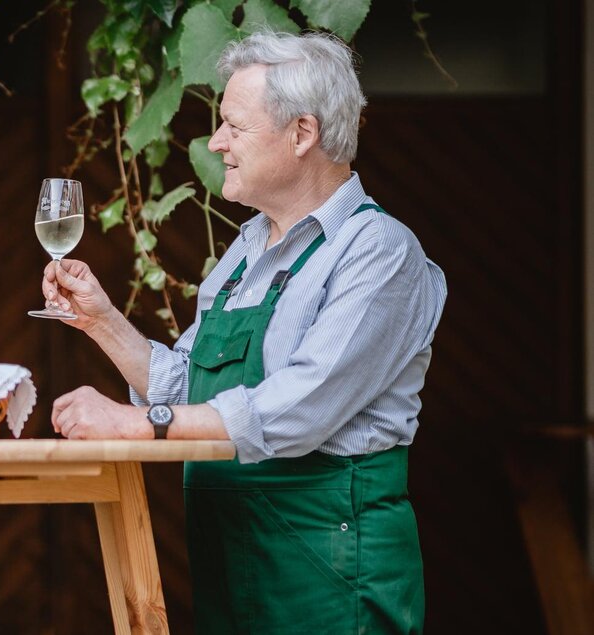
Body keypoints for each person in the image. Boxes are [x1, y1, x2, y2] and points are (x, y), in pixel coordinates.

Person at [43, 30, 446, 633]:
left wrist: (140, 424)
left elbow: (298, 409)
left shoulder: (377, 252)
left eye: (234, 125)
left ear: (302, 134)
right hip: (232, 563)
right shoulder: (248, 246)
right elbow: (185, 391)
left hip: (330, 575)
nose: (216, 142)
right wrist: (101, 320)